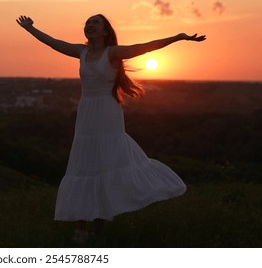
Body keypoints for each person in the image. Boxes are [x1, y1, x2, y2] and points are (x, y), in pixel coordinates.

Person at [16, 14, 205, 245]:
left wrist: (177, 37)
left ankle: (99, 230)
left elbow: (143, 48)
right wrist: (30, 29)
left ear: (105, 31)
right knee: (84, 166)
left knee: (105, 167)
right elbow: (54, 43)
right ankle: (81, 229)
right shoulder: (81, 52)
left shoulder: (112, 53)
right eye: (87, 23)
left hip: (108, 115)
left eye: (95, 22)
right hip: (86, 115)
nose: (89, 26)